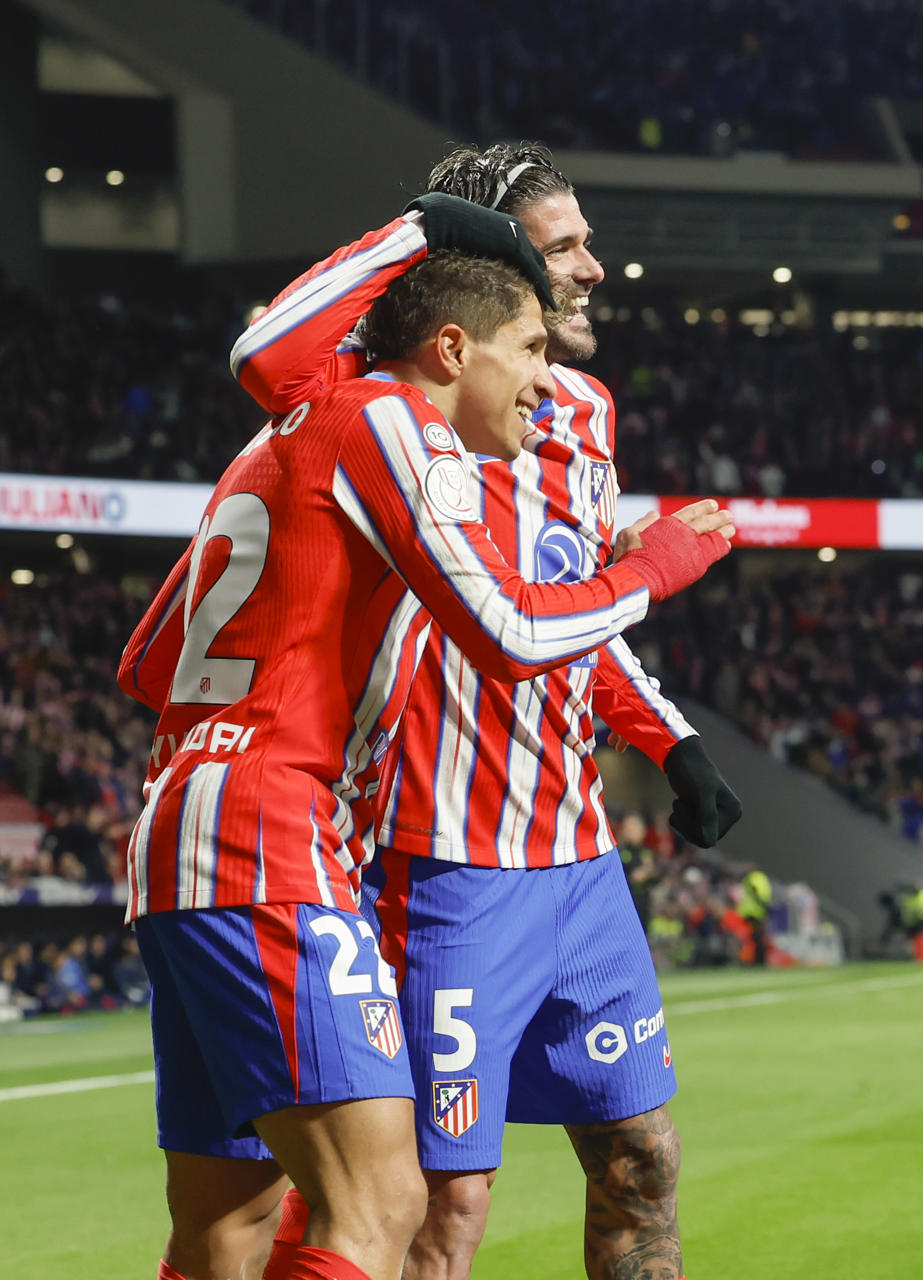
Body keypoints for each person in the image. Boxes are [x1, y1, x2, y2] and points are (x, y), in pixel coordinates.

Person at [116, 218, 733, 1280]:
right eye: (532, 347)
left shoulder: (289, 433)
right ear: (454, 346)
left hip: (186, 821)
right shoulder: (397, 425)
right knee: (386, 1200)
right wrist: (660, 566)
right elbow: (511, 634)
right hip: (280, 832)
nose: (549, 373)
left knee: (226, 1226)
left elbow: (145, 660)